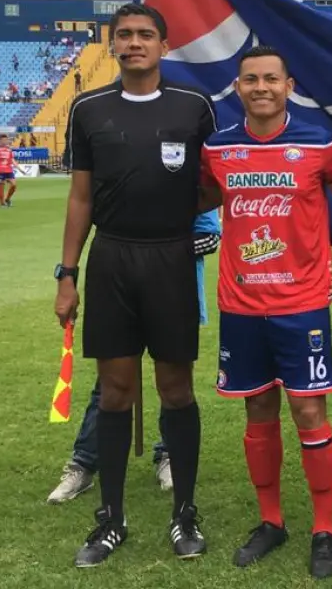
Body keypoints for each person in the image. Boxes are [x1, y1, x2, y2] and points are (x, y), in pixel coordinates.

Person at [54, 2, 217, 568]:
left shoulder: (193, 107)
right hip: (113, 259)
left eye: (145, 34)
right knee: (117, 390)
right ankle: (112, 518)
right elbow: (80, 197)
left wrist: (181, 215)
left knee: (177, 389)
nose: (134, 43)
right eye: (124, 35)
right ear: (113, 45)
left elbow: (215, 180)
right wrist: (68, 274)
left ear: (163, 46)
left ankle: (185, 514)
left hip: (171, 259)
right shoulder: (88, 108)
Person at [201, 45, 332, 579]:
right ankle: (271, 522)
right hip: (242, 304)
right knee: (257, 412)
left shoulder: (320, 143)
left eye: (271, 79)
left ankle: (324, 529)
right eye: (251, 79)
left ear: (288, 85)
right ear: (239, 87)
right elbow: (193, 198)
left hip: (303, 305)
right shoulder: (218, 149)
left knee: (310, 412)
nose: (262, 87)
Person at [47, 210, 221, 504]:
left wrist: (159, 248)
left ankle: (169, 455)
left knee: (174, 384)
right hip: (122, 287)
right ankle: (84, 463)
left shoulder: (187, 168)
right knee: (111, 384)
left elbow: (210, 237)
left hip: (175, 291)